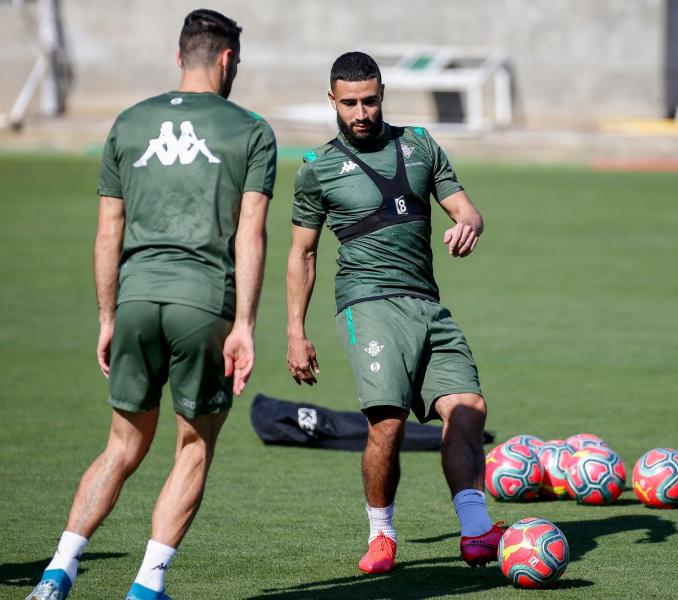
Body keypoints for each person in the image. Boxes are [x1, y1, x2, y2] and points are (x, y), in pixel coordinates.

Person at [26, 9, 275, 600]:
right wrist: (243, 324)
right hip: (204, 305)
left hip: (136, 299)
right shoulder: (251, 130)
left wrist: (108, 317)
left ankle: (57, 570)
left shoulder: (129, 123)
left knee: (122, 443)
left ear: (178, 58)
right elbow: (251, 233)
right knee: (194, 444)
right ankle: (147, 585)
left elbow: (107, 232)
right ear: (226, 59)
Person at [286, 51, 501, 574]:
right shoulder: (316, 170)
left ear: (383, 96)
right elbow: (303, 254)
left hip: (427, 303)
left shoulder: (421, 145)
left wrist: (470, 223)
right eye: (350, 103)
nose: (361, 113)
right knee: (388, 422)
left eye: (370, 101)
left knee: (468, 407)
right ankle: (381, 534)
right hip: (367, 302)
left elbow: (464, 206)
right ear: (332, 101)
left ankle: (475, 532)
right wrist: (296, 331)